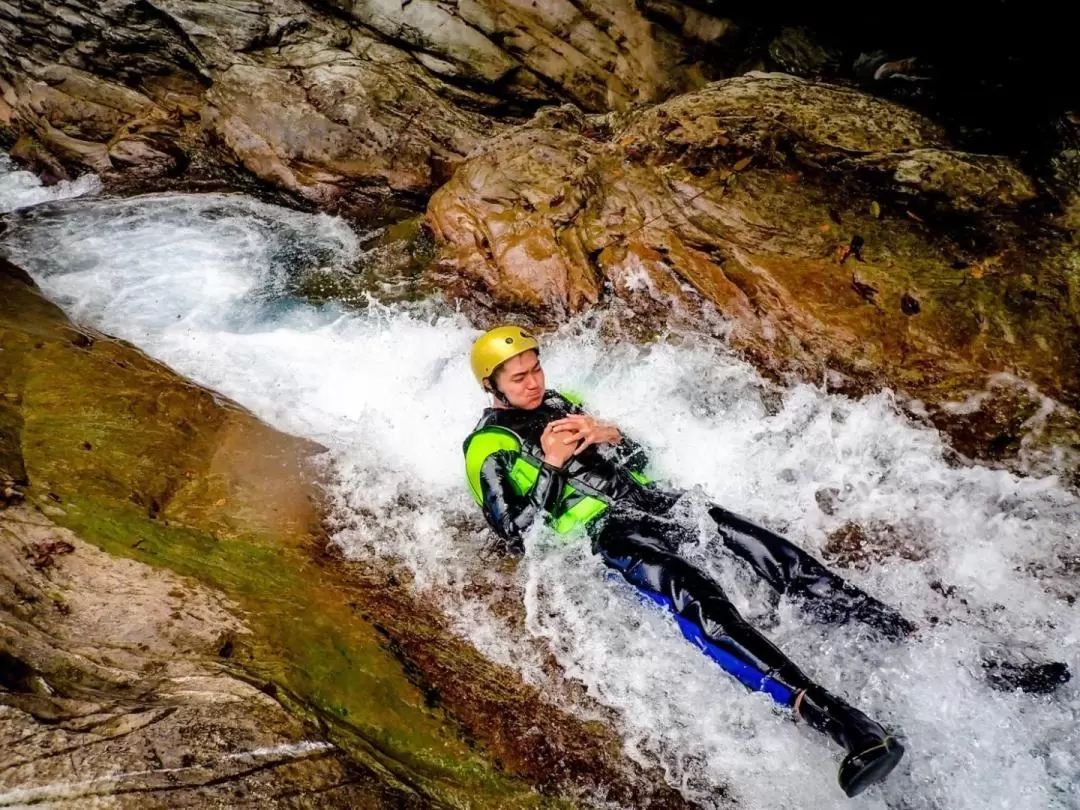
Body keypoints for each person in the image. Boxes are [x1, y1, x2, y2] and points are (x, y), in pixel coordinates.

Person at [462, 326, 911, 798]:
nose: (533, 383)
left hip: (657, 502)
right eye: (518, 379)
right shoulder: (486, 448)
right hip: (610, 534)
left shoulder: (562, 400)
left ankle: (904, 635)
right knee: (698, 597)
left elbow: (636, 459)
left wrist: (609, 432)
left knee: (781, 557)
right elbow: (515, 534)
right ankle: (844, 727)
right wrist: (551, 465)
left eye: (536, 370)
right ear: (491, 387)